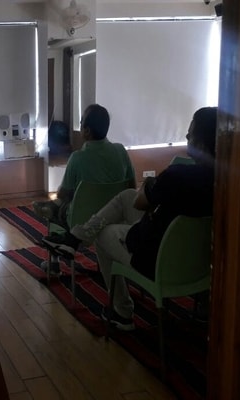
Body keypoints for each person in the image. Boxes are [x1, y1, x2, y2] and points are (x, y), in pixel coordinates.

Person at [42, 106, 217, 331]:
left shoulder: (177, 176)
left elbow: (141, 202)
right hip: (196, 264)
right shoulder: (227, 181)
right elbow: (131, 189)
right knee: (125, 196)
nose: (185, 136)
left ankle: (121, 311)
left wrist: (152, 186)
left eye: (190, 133)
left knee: (103, 233)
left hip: (153, 256)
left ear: (201, 142)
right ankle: (75, 237)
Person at [33, 104, 135, 273]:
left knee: (57, 209)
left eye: (81, 123)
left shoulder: (77, 158)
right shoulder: (121, 151)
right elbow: (131, 187)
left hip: (81, 220)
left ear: (86, 131)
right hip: (117, 220)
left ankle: (54, 263)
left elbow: (63, 193)